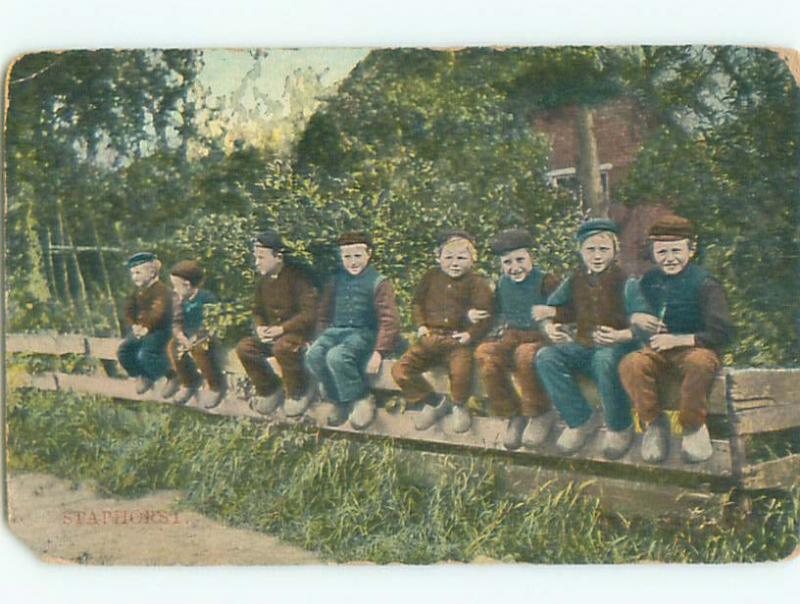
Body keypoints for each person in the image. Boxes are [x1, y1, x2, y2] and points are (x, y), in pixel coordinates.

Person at [619, 214, 733, 463]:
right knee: (631, 363)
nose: (669, 258)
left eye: (676, 250)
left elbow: (722, 333)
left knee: (700, 364)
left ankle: (693, 427)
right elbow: (636, 318)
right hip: (658, 350)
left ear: (691, 250)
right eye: (661, 252)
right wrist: (637, 318)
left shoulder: (705, 283)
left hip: (696, 349)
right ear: (653, 252)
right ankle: (653, 424)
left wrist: (679, 340)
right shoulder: (650, 281)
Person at [534, 219, 647, 459]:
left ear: (615, 251)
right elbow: (555, 308)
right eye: (590, 249)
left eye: (603, 249)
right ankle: (581, 420)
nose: (596, 256)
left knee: (604, 361)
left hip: (619, 349)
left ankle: (619, 426)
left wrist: (621, 335)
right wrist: (549, 326)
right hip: (584, 346)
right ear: (581, 251)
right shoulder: (575, 280)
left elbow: (647, 324)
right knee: (546, 356)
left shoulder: (628, 282)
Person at [392, 230, 493, 434]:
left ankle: (458, 406)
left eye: (461, 258)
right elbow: (417, 303)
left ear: (473, 260)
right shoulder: (431, 277)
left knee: (461, 371)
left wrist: (470, 334)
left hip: (457, 341)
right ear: (438, 257)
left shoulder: (478, 284)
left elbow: (486, 315)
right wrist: (420, 325)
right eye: (448, 257)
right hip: (431, 337)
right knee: (400, 370)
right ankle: (433, 402)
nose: (454, 263)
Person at [474, 228, 561, 450]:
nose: (515, 268)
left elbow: (565, 310)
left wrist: (554, 322)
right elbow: (494, 312)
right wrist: (475, 314)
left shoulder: (546, 281)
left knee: (525, 355)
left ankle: (539, 413)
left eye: (520, 259)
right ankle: (513, 414)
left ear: (532, 257)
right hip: (513, 335)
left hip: (541, 336)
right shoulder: (503, 284)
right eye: (507, 262)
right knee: (485, 353)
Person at [306, 232, 402, 429]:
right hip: (337, 331)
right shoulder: (335, 281)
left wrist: (379, 352)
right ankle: (337, 399)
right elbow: (324, 314)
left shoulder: (378, 282)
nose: (352, 262)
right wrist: (319, 337)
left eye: (357, 256)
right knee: (314, 355)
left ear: (369, 254)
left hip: (365, 333)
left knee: (337, 357)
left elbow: (389, 320)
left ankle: (361, 398)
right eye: (347, 257)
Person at [235, 230, 318, 416]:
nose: (257, 263)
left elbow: (310, 313)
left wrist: (282, 329)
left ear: (278, 257)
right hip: (273, 336)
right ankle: (269, 389)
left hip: (297, 336)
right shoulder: (263, 282)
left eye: (261, 258)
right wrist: (260, 327)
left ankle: (298, 392)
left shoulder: (298, 278)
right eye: (256, 258)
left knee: (283, 348)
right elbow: (257, 310)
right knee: (245, 348)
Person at [161, 260, 225, 408]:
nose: (174, 290)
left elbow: (211, 322)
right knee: (172, 346)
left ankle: (215, 386)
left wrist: (196, 337)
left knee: (200, 349)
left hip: (205, 336)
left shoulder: (206, 298)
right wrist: (181, 336)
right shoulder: (179, 300)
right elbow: (176, 322)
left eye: (176, 286)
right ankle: (188, 382)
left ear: (187, 285)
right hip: (187, 337)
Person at [117, 252, 172, 394]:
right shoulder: (138, 292)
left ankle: (172, 375)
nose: (134, 277)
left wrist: (147, 327)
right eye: (132, 274)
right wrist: (134, 324)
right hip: (142, 330)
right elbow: (129, 309)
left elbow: (158, 312)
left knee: (146, 354)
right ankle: (142, 375)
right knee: (124, 351)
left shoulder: (162, 291)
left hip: (160, 330)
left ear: (152, 272)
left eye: (138, 272)